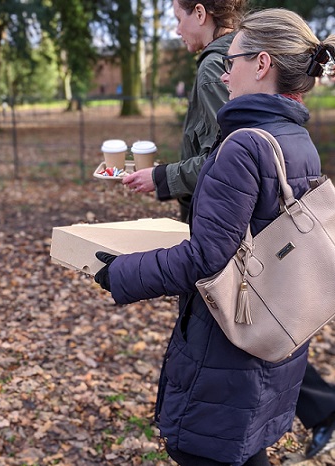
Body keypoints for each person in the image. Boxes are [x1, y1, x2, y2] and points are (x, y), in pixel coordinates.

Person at [93, 8, 335, 465]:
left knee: (203, 449)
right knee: (242, 452)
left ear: (261, 64)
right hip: (270, 339)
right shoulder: (296, 138)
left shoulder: (242, 145)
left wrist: (120, 272)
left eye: (233, 62)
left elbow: (208, 260)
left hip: (224, 345)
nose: (224, 75)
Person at [123, 0, 246, 222]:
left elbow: (229, 158)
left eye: (179, 19)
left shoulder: (214, 67)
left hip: (214, 216)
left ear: (199, 13)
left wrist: (160, 177)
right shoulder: (245, 56)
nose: (177, 30)